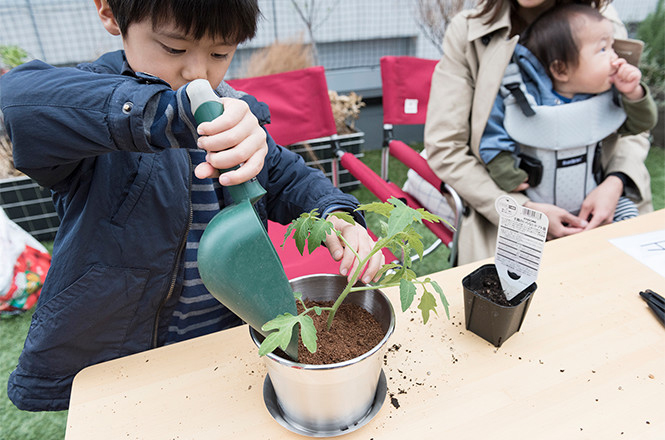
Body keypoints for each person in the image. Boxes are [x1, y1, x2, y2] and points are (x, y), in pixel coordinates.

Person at [0, 0, 382, 411]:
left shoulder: (231, 114)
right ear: (110, 13)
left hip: (223, 336)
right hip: (124, 357)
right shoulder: (92, 108)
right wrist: (162, 114)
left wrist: (335, 215)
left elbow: (287, 176)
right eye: (174, 48)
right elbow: (18, 103)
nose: (198, 73)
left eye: (220, 53)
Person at [425, 0, 654, 265]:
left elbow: (629, 122)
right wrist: (522, 212)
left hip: (604, 203)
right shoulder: (469, 32)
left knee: (624, 278)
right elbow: (446, 147)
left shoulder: (600, 22)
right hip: (507, 213)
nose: (611, 55)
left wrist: (616, 182)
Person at [478, 3, 657, 220]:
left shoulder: (603, 97)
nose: (615, 58)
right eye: (602, 50)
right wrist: (506, 172)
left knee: (628, 215)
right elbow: (493, 134)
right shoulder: (521, 94)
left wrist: (633, 94)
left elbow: (639, 124)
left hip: (593, 199)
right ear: (561, 69)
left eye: (612, 47)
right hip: (537, 204)